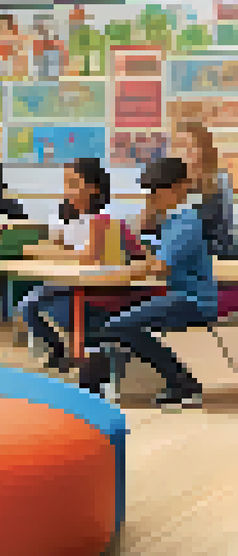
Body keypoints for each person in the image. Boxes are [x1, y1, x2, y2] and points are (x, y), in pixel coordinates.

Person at [79, 157, 212, 407]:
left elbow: (159, 266)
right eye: (151, 192)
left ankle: (184, 383)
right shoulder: (173, 222)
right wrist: (144, 235)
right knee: (116, 323)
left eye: (158, 192)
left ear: (180, 187)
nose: (153, 198)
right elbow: (154, 258)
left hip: (193, 298)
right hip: (177, 295)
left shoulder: (187, 223)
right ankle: (176, 382)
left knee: (119, 325)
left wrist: (143, 239)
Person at [20, 158, 132, 372]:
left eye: (73, 183)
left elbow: (89, 256)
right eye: (66, 183)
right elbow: (59, 247)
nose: (67, 190)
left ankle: (77, 352)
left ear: (92, 188)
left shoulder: (103, 218)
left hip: (95, 286)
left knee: (40, 306)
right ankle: (60, 350)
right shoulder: (70, 218)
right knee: (28, 305)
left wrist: (51, 252)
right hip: (68, 282)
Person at [171, 121, 238, 259]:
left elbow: (222, 233)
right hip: (179, 254)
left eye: (189, 146)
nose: (184, 152)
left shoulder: (219, 182)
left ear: (203, 149)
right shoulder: (172, 182)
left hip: (211, 255)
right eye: (179, 146)